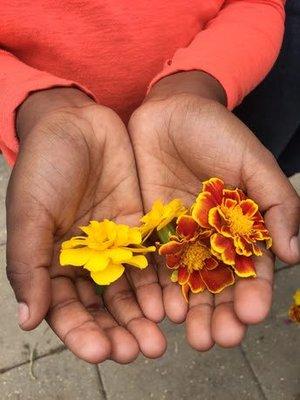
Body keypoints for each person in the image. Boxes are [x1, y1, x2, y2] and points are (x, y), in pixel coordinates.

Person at [1, 0, 299, 364]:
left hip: (224, 111)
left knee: (263, 167)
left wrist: (195, 86)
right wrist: (31, 104)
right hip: (71, 173)